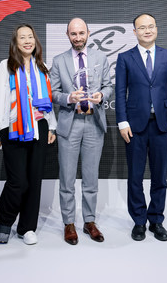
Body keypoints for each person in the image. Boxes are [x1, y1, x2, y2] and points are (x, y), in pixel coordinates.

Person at [115, 13, 167, 242]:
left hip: (162, 124)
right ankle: (138, 221)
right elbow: (120, 93)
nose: (147, 30)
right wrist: (122, 122)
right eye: (142, 27)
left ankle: (156, 220)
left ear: (156, 28)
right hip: (134, 126)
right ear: (135, 32)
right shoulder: (125, 58)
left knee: (159, 176)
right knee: (135, 176)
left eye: (151, 26)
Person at [0, 23, 57, 245]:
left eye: (30, 37)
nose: (27, 41)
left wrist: (51, 126)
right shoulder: (6, 66)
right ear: (15, 43)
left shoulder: (42, 67)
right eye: (22, 38)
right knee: (17, 181)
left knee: (34, 181)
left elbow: (47, 102)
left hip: (39, 128)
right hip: (13, 128)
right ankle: (4, 223)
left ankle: (27, 228)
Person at [50, 18, 113, 245]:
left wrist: (102, 95)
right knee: (67, 178)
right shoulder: (59, 61)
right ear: (67, 35)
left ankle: (89, 221)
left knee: (91, 177)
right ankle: (69, 223)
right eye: (73, 34)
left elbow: (109, 86)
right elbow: (53, 93)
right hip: (70, 123)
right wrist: (68, 97)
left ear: (88, 32)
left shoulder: (100, 58)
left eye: (81, 33)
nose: (78, 37)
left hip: (94, 123)